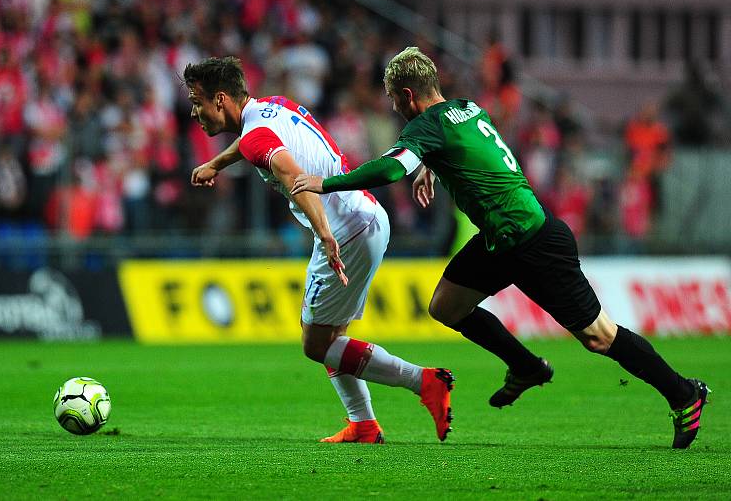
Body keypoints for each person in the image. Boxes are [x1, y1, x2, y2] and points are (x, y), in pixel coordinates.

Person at [292, 47, 710, 449]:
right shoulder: (467, 108)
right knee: (446, 306)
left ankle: (683, 394)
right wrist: (429, 166)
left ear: (406, 95)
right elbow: (469, 152)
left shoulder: (424, 127)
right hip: (503, 238)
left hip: (532, 239)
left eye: (394, 101)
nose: (396, 111)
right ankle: (526, 365)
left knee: (599, 336)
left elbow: (390, 166)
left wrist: (325, 183)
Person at [183, 56, 453, 444]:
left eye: (198, 102)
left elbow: (291, 174)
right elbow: (249, 144)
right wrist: (217, 163)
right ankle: (363, 425)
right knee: (333, 337)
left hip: (345, 231)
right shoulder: (273, 107)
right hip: (367, 216)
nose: (194, 112)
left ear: (221, 99)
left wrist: (325, 235)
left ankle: (425, 383)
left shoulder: (258, 136)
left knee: (316, 344)